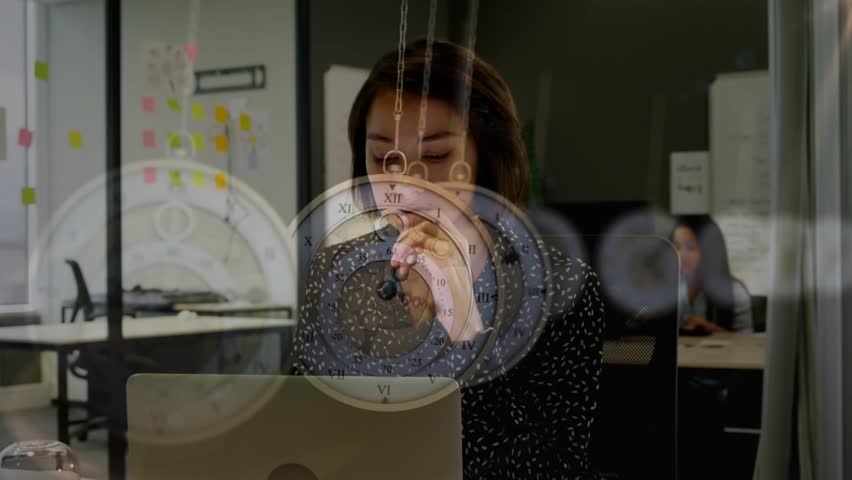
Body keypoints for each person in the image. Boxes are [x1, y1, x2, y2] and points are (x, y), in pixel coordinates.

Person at [292, 39, 606, 479]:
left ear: (485, 158)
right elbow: (299, 430)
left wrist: (465, 333)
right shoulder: (337, 272)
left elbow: (554, 463)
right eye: (383, 156)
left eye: (437, 155)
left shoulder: (559, 287)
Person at [671, 215, 753, 333]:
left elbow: (748, 344)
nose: (682, 255)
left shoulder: (736, 292)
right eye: (677, 246)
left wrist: (710, 329)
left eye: (691, 247)